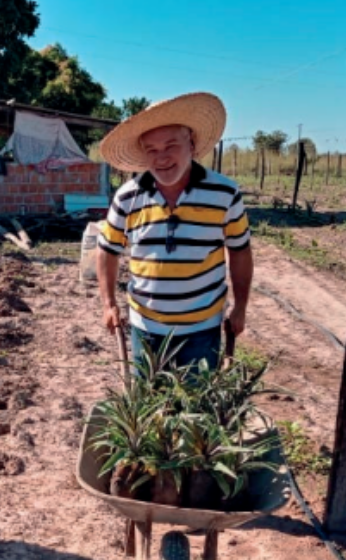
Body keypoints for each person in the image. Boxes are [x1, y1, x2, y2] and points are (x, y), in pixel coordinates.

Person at [96, 92, 252, 373]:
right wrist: (108, 304)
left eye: (171, 145)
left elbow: (240, 250)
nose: (162, 157)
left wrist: (240, 306)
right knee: (149, 411)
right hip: (146, 329)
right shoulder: (127, 197)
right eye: (152, 149)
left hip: (202, 329)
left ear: (191, 144)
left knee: (197, 412)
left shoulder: (224, 193)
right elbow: (107, 249)